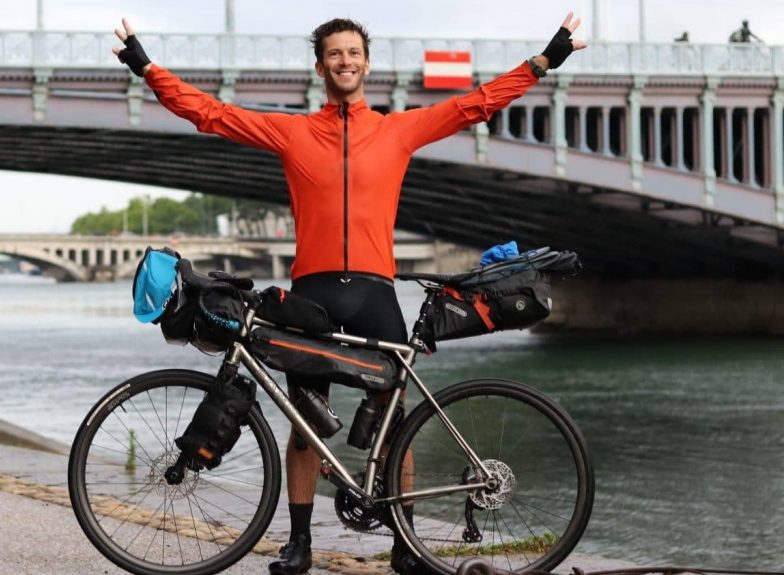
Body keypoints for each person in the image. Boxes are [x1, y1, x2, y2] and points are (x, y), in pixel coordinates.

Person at [114, 14, 585, 575]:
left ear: (366, 63)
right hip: (312, 295)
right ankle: (300, 543)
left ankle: (407, 544)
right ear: (321, 67)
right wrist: (146, 67)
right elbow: (211, 114)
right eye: (334, 54)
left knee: (396, 423)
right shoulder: (292, 132)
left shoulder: (396, 130)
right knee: (304, 423)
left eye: (353, 53)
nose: (345, 62)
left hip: (374, 294)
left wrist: (543, 61)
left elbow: (474, 105)